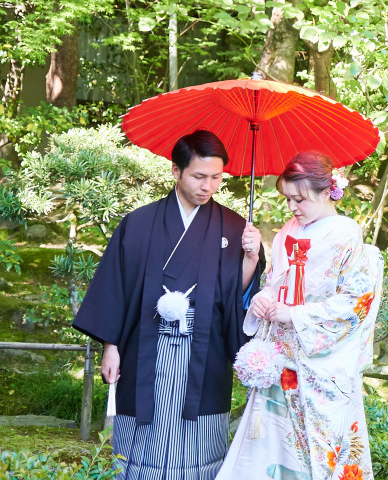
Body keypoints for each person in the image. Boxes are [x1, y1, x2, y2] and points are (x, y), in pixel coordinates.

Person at [73, 130, 265, 480]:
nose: (208, 186)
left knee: (199, 442)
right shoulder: (140, 223)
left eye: (216, 178)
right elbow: (116, 287)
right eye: (199, 176)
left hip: (204, 350)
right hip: (144, 348)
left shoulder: (235, 226)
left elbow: (237, 296)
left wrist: (250, 258)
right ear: (176, 171)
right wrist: (110, 347)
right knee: (142, 434)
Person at [216, 151, 383, 480]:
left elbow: (356, 302)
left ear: (326, 192)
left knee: (317, 451)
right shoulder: (285, 232)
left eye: (300, 199)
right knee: (270, 445)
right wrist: (263, 302)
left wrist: (295, 314)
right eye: (289, 199)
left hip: (320, 360)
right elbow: (273, 283)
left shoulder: (345, 234)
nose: (293, 207)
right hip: (280, 358)